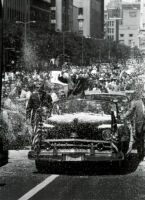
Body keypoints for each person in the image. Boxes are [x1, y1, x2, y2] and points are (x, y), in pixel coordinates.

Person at [122, 86, 145, 161]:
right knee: (140, 140)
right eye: (143, 96)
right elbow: (130, 111)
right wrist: (123, 116)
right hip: (140, 125)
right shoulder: (136, 103)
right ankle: (140, 155)